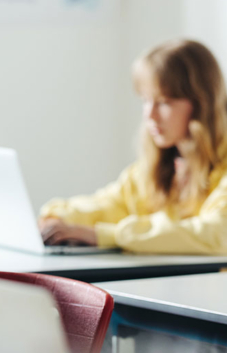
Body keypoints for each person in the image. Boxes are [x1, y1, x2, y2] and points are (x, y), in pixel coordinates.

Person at [39, 39, 227, 254]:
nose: (150, 115)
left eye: (164, 102)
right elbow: (111, 204)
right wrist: (56, 218)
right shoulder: (160, 165)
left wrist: (105, 235)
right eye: (146, 100)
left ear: (202, 104)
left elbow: (216, 234)